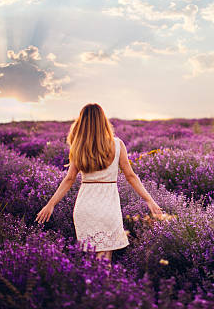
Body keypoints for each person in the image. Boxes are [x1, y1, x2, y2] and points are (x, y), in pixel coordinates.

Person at [35, 103, 163, 264]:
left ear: (82, 122)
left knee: (91, 262)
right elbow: (131, 176)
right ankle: (103, 289)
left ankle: (90, 288)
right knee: (104, 261)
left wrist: (50, 204)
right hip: (108, 207)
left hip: (85, 207)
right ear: (103, 120)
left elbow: (69, 179)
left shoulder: (78, 147)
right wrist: (149, 200)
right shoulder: (117, 144)